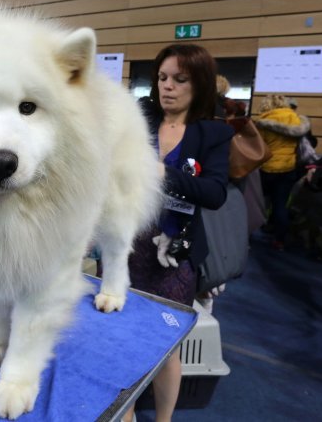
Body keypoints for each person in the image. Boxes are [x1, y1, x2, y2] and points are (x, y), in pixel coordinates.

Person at [124, 44, 232, 422]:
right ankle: (127, 409)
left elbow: (216, 193)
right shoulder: (139, 115)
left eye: (179, 80)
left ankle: (164, 418)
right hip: (129, 243)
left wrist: (164, 175)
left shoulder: (212, 134)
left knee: (167, 342)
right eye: (162, 78)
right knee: (122, 333)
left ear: (198, 84)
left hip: (174, 251)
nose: (167, 87)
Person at [254, 94, 310, 251]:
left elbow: (258, 147)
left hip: (267, 169)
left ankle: (248, 236)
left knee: (256, 202)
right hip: (288, 169)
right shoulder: (296, 119)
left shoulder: (263, 121)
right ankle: (280, 241)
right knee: (280, 206)